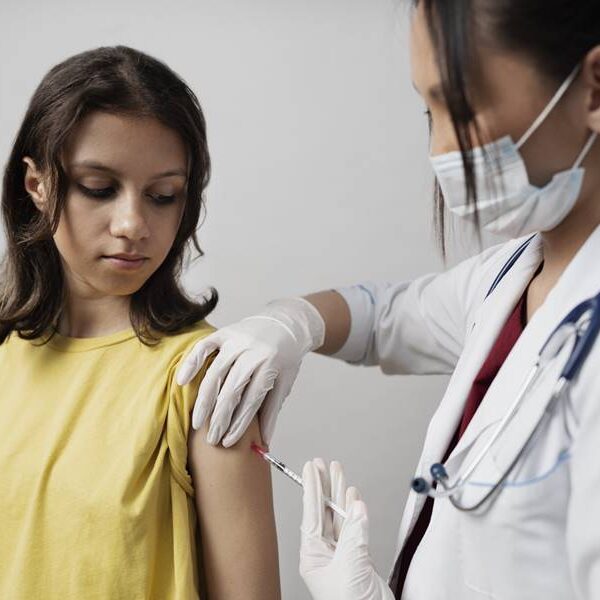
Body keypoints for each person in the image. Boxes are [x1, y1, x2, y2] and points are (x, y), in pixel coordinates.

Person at [175, 1, 600, 598]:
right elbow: (382, 315)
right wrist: (291, 323)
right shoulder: (508, 276)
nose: (440, 152)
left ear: (594, 89)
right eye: (430, 113)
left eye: (462, 107)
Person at [0, 46, 281, 600]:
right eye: (99, 188)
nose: (133, 224)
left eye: (162, 196)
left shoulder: (204, 379)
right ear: (37, 186)